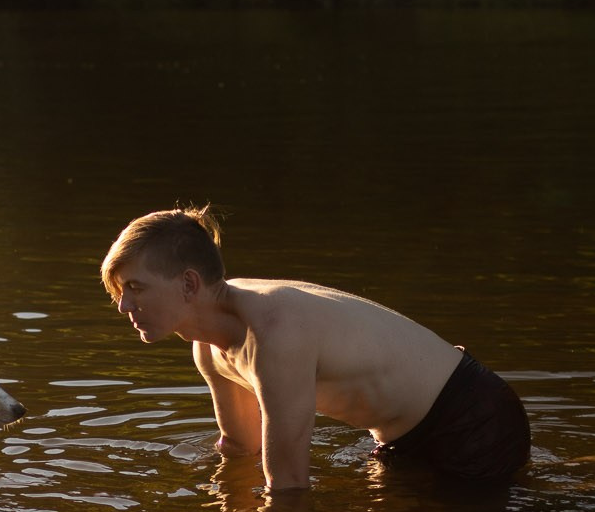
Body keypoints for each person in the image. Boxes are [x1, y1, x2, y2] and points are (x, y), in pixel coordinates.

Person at [100, 206, 530, 493]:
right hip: (403, 440)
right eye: (120, 292)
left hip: (473, 421)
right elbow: (240, 446)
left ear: (189, 284)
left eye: (136, 288)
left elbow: (288, 485)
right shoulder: (208, 347)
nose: (124, 306)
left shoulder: (275, 332)